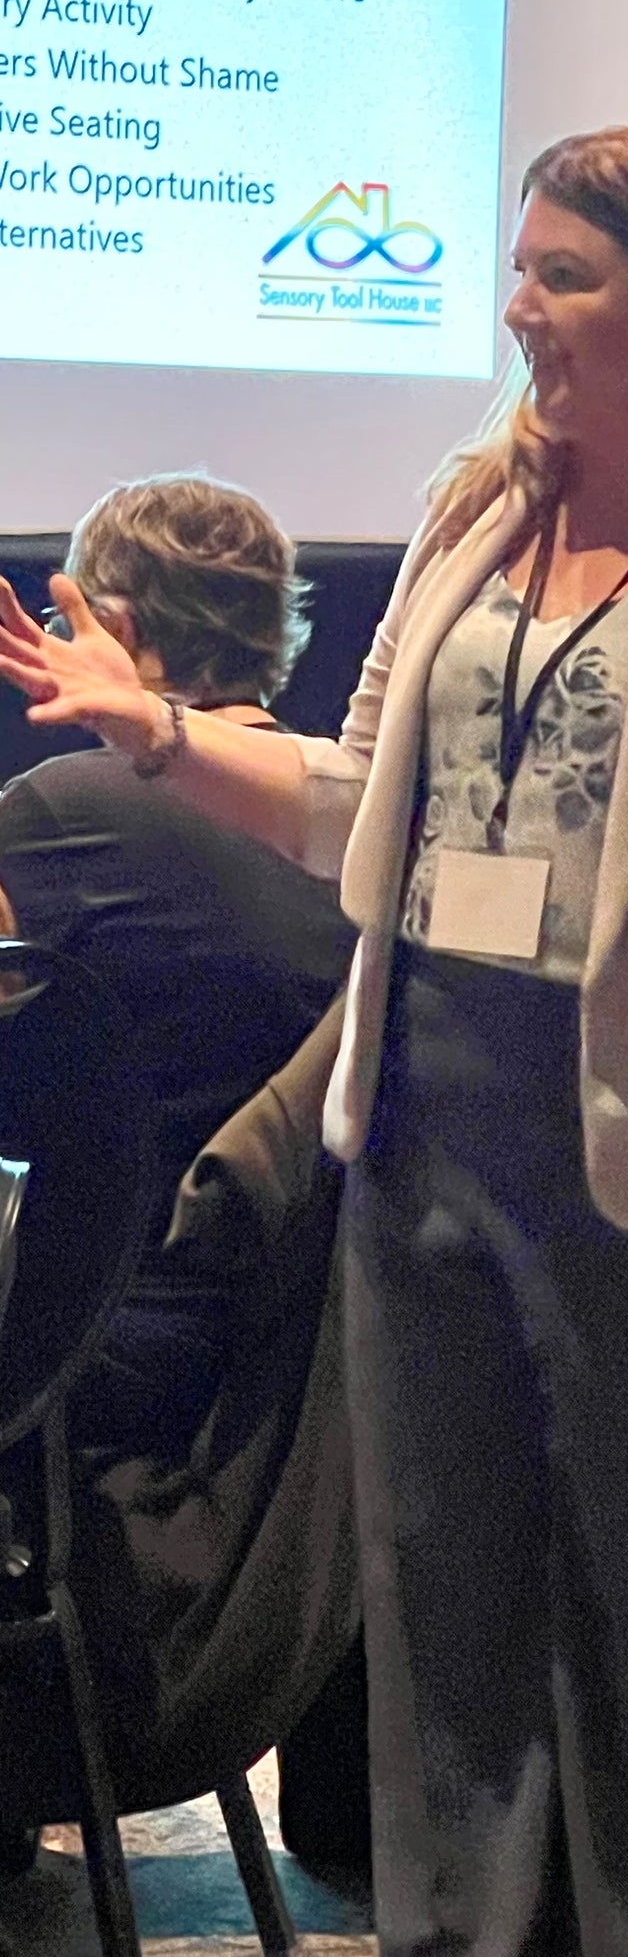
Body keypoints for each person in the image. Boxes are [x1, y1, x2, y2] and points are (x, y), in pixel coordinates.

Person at [0, 122, 628, 1957]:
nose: (523, 309)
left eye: (568, 276)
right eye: (518, 268)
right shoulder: (473, 515)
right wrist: (159, 734)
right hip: (422, 1125)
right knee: (448, 1632)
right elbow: (363, 812)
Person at [0, 475, 355, 1451]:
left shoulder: (65, 809)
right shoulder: (351, 814)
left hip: (106, 1336)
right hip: (320, 1344)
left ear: (114, 625)